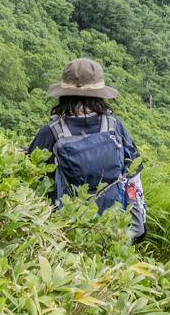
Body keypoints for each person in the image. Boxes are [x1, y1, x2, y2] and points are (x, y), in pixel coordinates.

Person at [25, 58, 147, 244]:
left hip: (64, 234)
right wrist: (139, 223)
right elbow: (133, 177)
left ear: (64, 94)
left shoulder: (50, 133)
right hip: (113, 230)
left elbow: (30, 179)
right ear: (99, 94)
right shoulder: (115, 126)